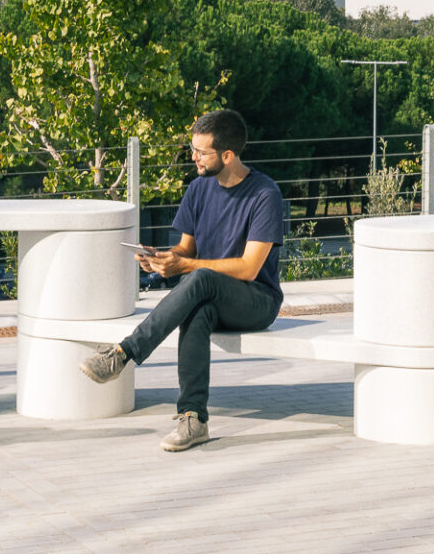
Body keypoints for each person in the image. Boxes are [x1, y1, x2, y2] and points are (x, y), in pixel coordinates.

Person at [80, 109, 286, 451]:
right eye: (193, 149)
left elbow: (250, 268)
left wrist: (186, 265)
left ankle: (124, 352)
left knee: (201, 279)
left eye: (201, 152)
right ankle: (193, 419)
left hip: (257, 301)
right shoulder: (198, 189)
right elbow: (185, 248)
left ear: (228, 155)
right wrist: (163, 259)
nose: (194, 158)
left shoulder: (264, 194)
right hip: (210, 294)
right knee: (197, 310)